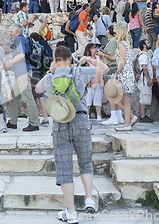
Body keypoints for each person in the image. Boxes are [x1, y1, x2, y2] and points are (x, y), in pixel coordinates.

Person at [35, 46, 108, 222]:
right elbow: (104, 69)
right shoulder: (79, 72)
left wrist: (50, 71)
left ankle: (72, 212)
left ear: (55, 59)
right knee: (85, 162)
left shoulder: (52, 76)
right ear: (70, 58)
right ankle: (89, 198)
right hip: (81, 121)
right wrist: (89, 59)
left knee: (65, 168)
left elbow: (37, 89)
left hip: (60, 123)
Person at [2, 23, 40, 132]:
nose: (10, 33)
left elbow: (21, 55)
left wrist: (8, 64)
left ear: (16, 31)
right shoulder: (22, 40)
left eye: (11, 31)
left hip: (23, 73)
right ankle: (13, 122)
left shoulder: (19, 40)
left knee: (27, 98)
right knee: (14, 97)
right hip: (21, 72)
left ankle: (34, 123)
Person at [111, 25, 138, 131]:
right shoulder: (126, 44)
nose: (114, 35)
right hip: (126, 73)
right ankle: (129, 119)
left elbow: (123, 61)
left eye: (115, 33)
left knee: (125, 99)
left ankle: (127, 123)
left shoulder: (121, 44)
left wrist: (116, 73)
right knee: (124, 98)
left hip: (124, 74)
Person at [97, 26, 122, 125]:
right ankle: (119, 116)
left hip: (111, 68)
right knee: (117, 93)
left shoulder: (112, 42)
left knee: (111, 93)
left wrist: (102, 55)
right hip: (114, 68)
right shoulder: (114, 41)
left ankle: (114, 116)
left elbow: (113, 57)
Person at [81, 43, 105, 121]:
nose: (95, 49)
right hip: (89, 81)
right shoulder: (85, 59)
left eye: (95, 48)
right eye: (93, 48)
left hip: (98, 80)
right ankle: (86, 115)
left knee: (98, 99)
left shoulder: (98, 58)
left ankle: (99, 115)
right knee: (88, 99)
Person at [137, 39, 154, 123]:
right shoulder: (143, 56)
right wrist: (148, 79)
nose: (149, 43)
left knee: (144, 97)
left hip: (144, 79)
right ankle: (143, 116)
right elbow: (144, 67)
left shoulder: (144, 55)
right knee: (144, 96)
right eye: (147, 42)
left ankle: (143, 115)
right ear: (143, 45)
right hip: (144, 80)